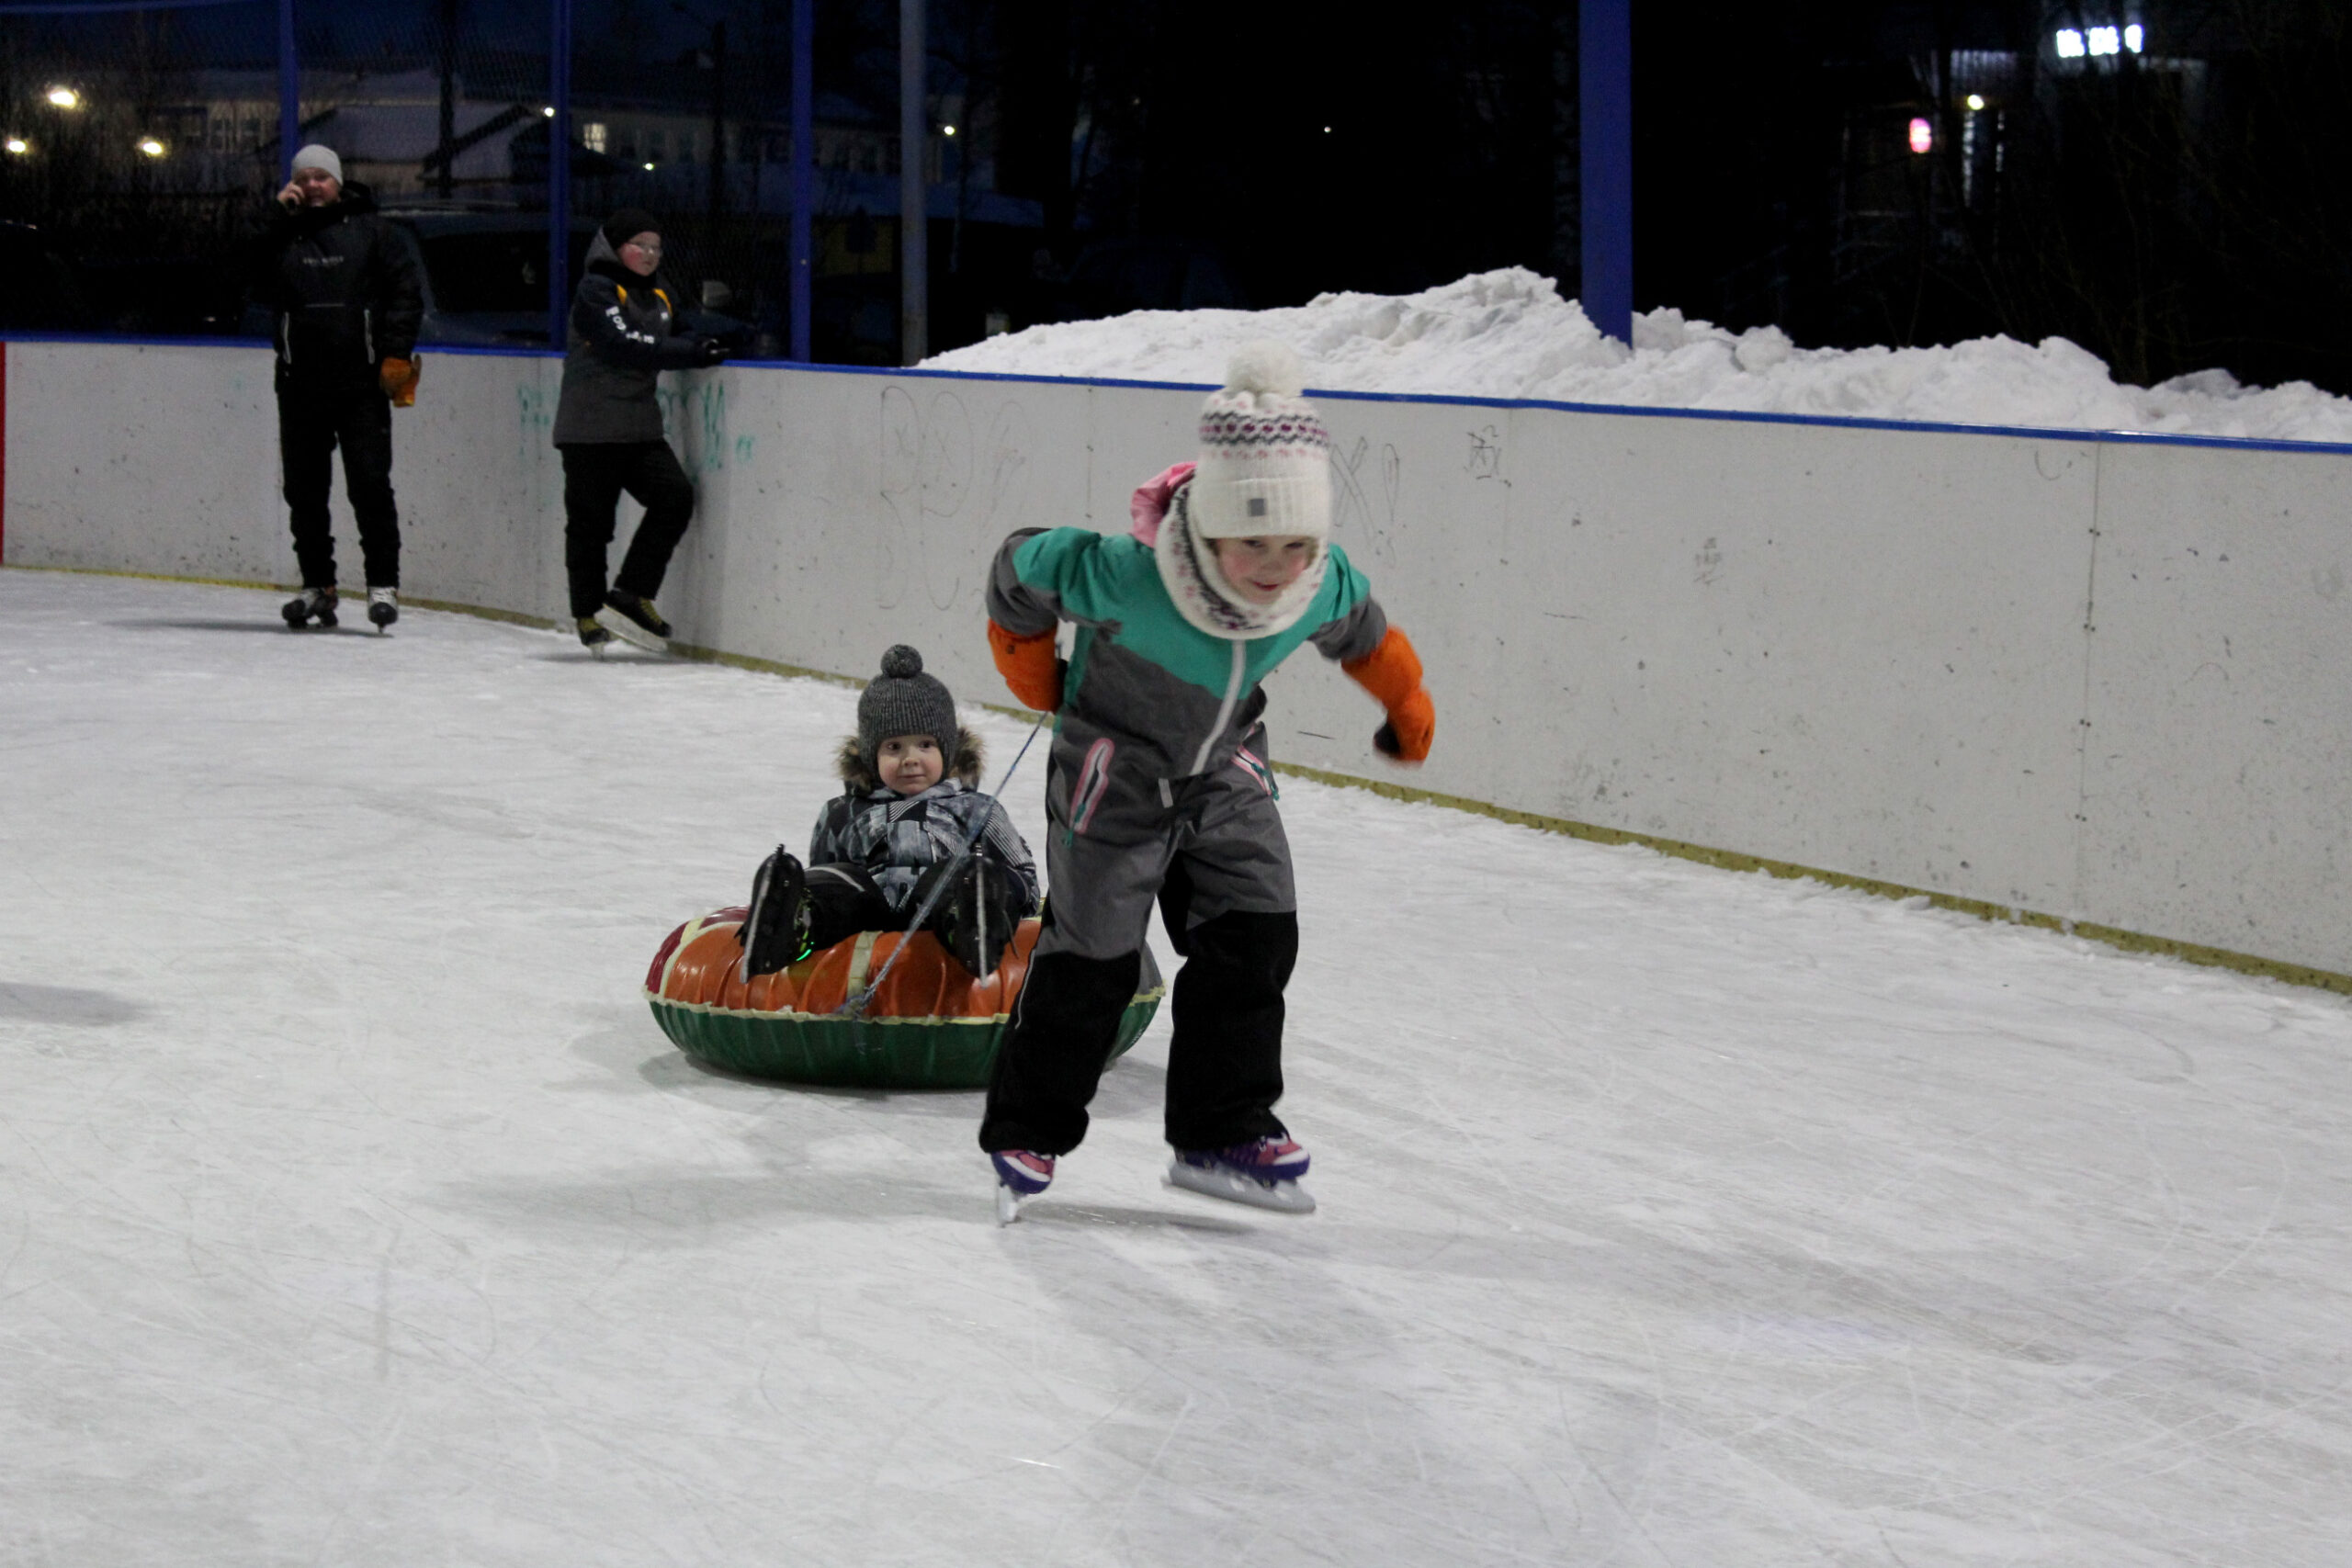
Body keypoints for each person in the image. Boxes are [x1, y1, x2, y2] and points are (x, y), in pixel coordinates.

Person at [976, 343, 1436, 1215]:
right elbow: (1018, 565)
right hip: (1115, 767)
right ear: (1209, 525)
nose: (1276, 565)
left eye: (1298, 543)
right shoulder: (1127, 572)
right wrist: (1025, 661)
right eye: (1254, 542)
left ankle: (1221, 1127)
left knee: (1258, 928)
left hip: (1223, 762)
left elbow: (1364, 629)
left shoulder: (1312, 583)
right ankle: (1026, 1128)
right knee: (1094, 958)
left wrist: (1405, 700)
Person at [739, 646, 1040, 982]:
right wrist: (816, 885)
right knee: (837, 882)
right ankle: (797, 920)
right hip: (869, 911)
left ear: (948, 750)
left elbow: (1023, 873)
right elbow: (826, 866)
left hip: (938, 913)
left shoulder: (978, 808)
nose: (910, 758)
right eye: (893, 747)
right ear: (871, 756)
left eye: (925, 745)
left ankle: (972, 921)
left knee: (958, 878)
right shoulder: (843, 812)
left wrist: (996, 886)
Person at [254, 144, 424, 633]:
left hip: (361, 386)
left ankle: (382, 587)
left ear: (338, 182)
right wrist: (274, 217)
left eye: (320, 178)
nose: (311, 186)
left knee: (370, 486)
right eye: (302, 178)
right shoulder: (283, 235)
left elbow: (404, 295)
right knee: (304, 492)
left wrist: (394, 352)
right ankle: (318, 586)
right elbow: (241, 271)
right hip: (299, 384)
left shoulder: (375, 233)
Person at [553, 207, 729, 653]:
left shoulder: (660, 293)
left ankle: (632, 592)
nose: (650, 255)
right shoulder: (595, 291)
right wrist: (688, 352)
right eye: (640, 246)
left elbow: (682, 334)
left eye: (656, 248)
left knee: (674, 497)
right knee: (592, 526)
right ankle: (589, 614)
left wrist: (712, 344)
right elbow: (624, 343)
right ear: (616, 248)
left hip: (638, 429)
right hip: (590, 430)